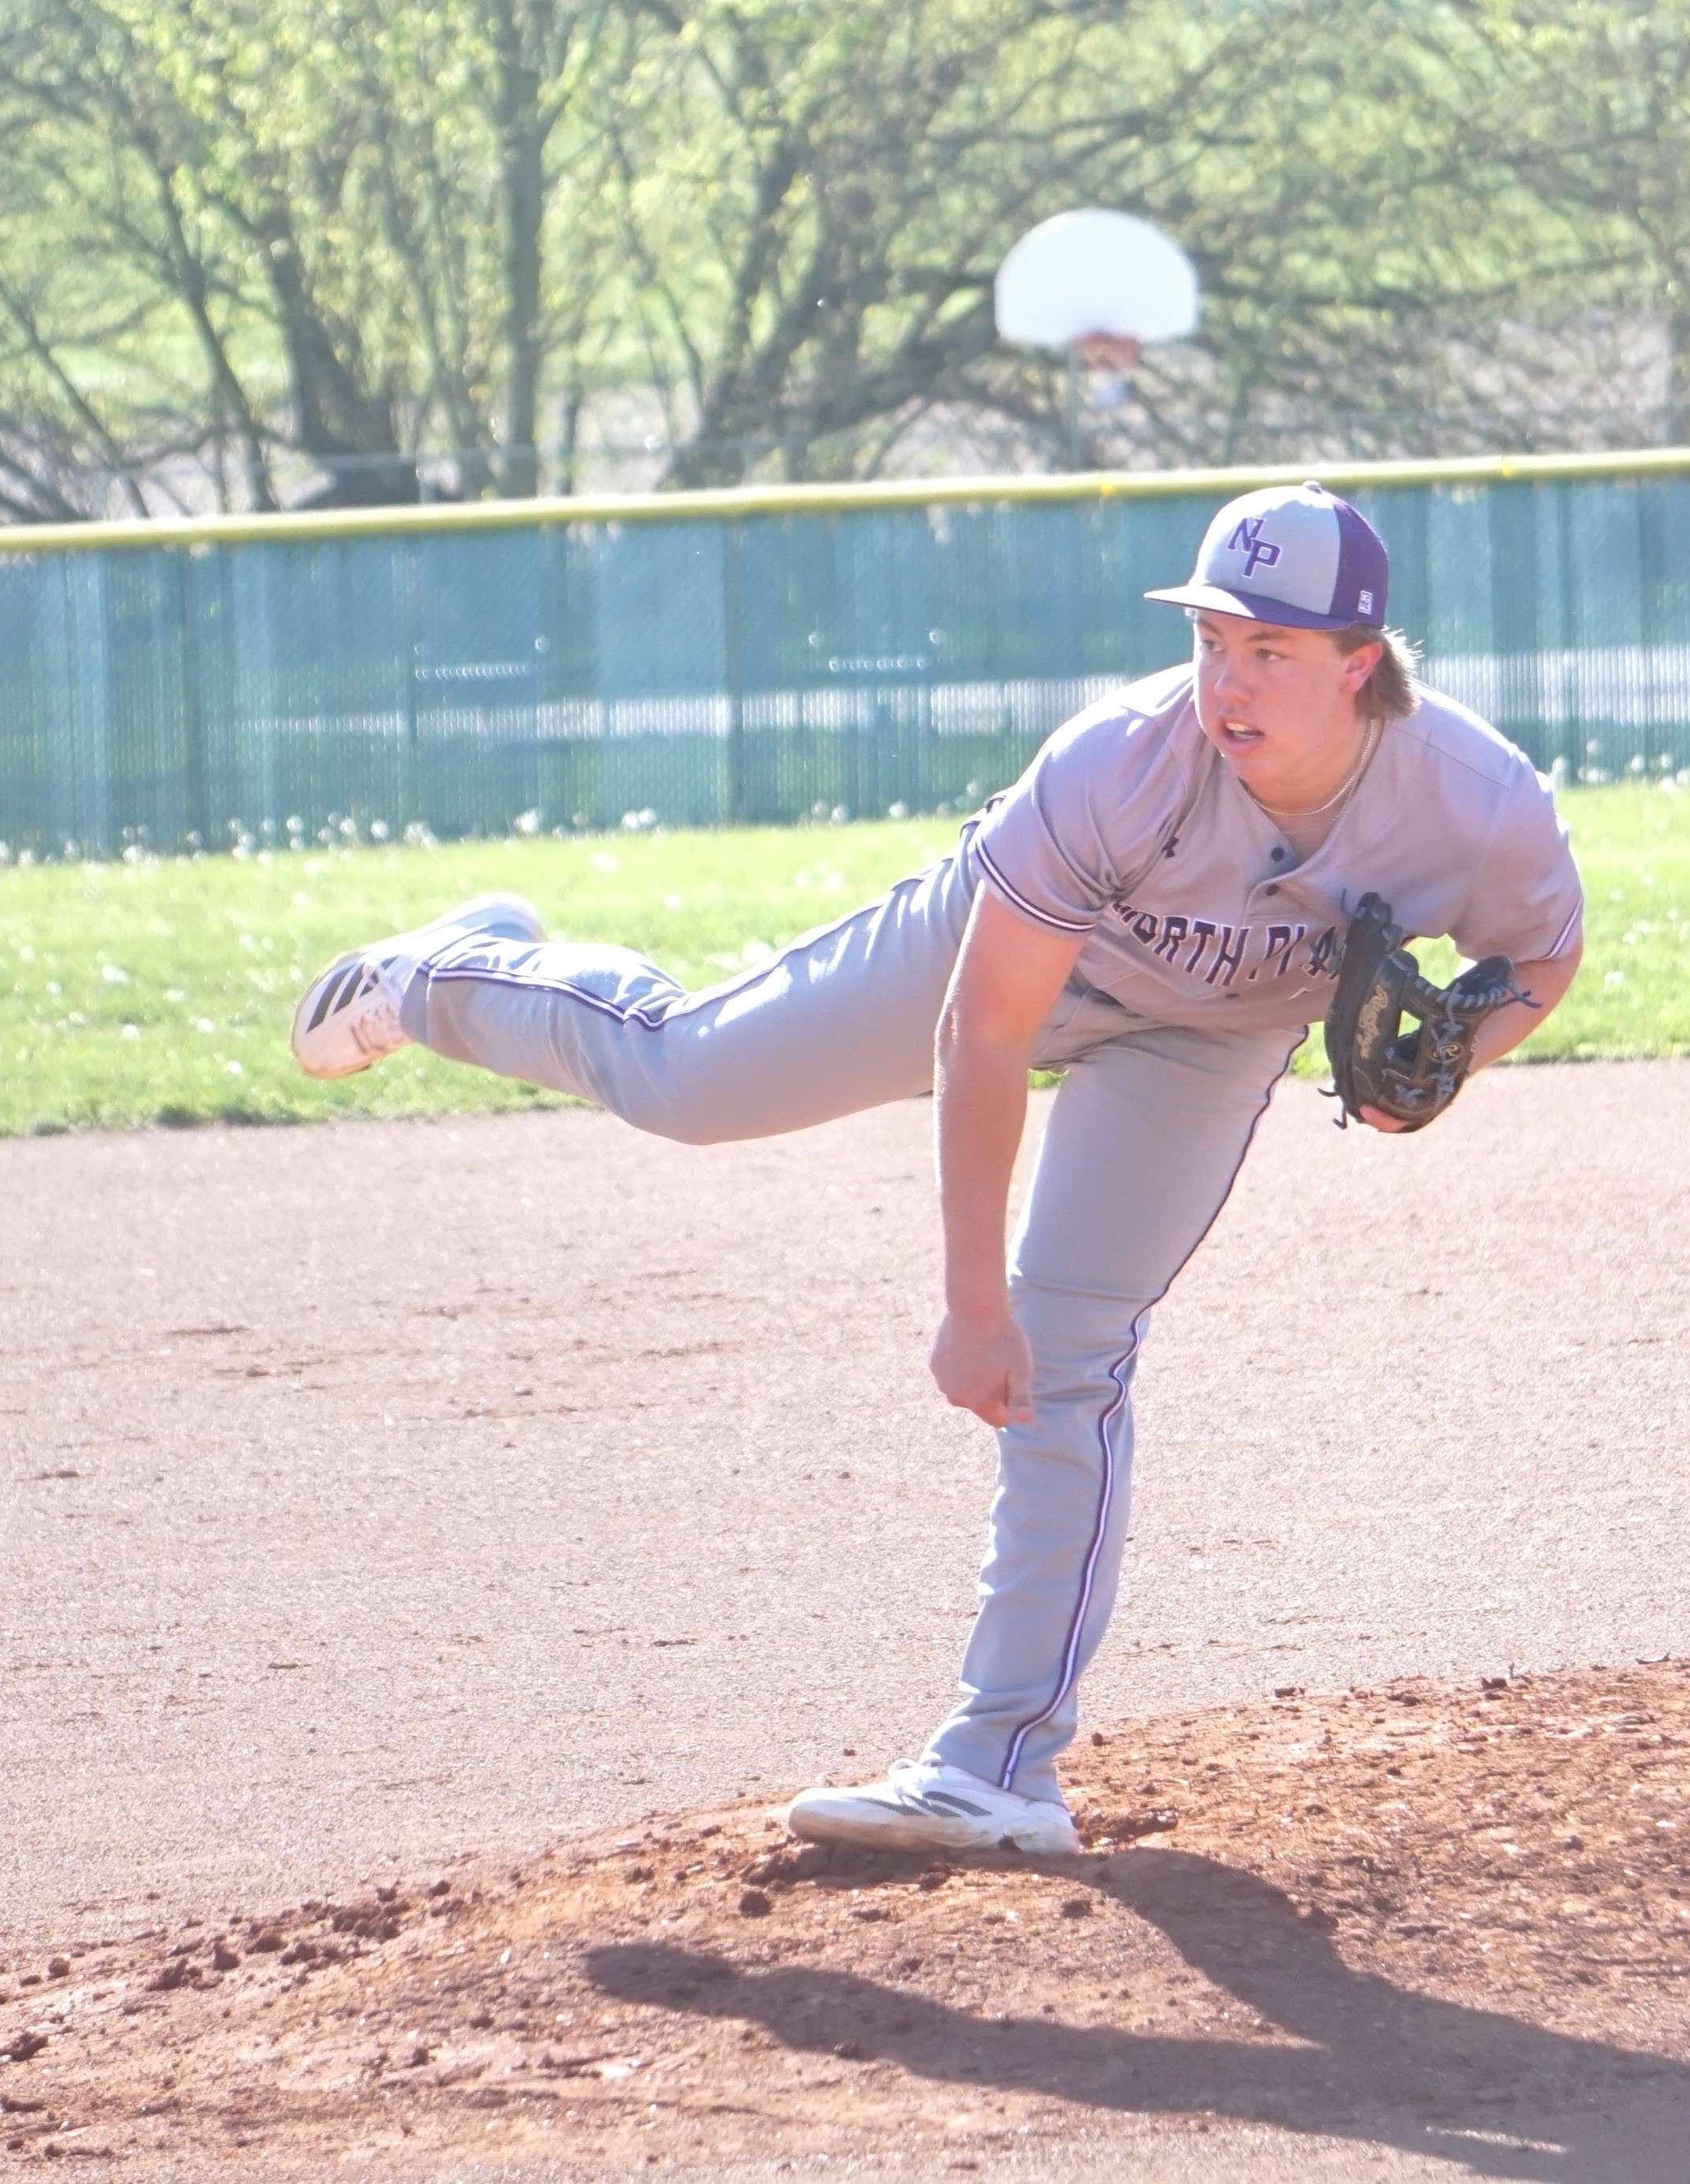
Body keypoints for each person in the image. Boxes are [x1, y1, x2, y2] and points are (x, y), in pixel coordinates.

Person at [288, 482, 1588, 1854]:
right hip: (1000, 963)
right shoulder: (1117, 763)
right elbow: (985, 1031)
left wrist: (1447, 1069)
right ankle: (442, 973)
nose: (1227, 680)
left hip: (1203, 1037)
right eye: (1211, 639)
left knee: (1073, 1350)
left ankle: (997, 1765)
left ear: (1359, 663)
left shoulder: (1475, 800)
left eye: (1269, 649)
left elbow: (1541, 954)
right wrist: (973, 1302)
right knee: (685, 1078)